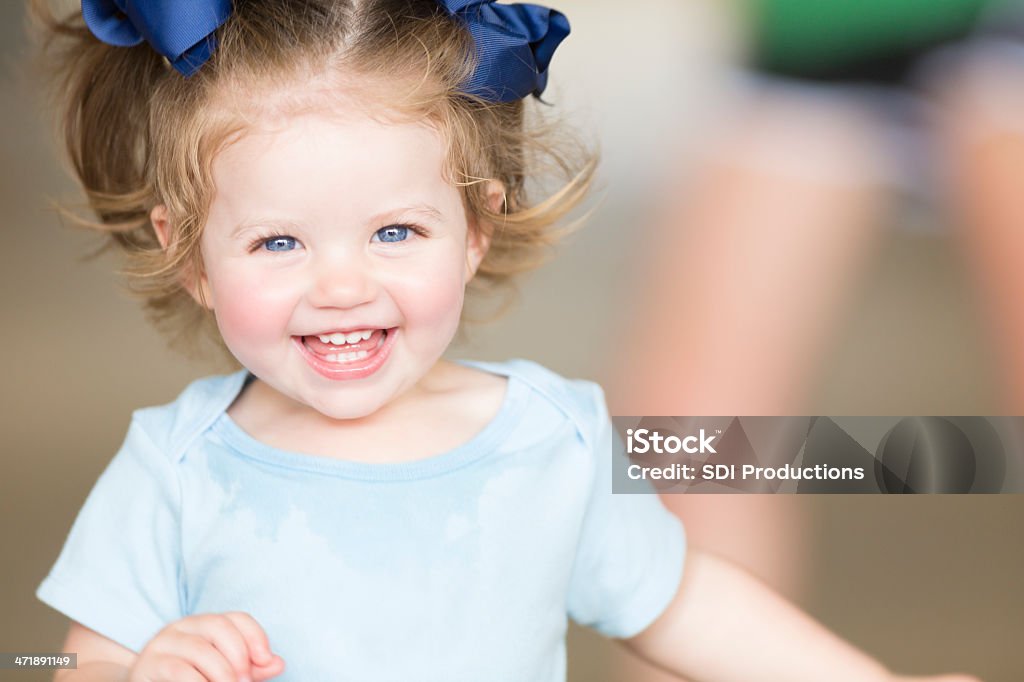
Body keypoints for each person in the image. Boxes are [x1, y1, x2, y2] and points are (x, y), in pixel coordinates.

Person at [31, 1, 980, 681]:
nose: (342, 284)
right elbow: (89, 663)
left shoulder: (545, 437)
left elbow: (685, 605)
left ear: (478, 223)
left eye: (395, 231)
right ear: (187, 251)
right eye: (278, 241)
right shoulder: (177, 466)